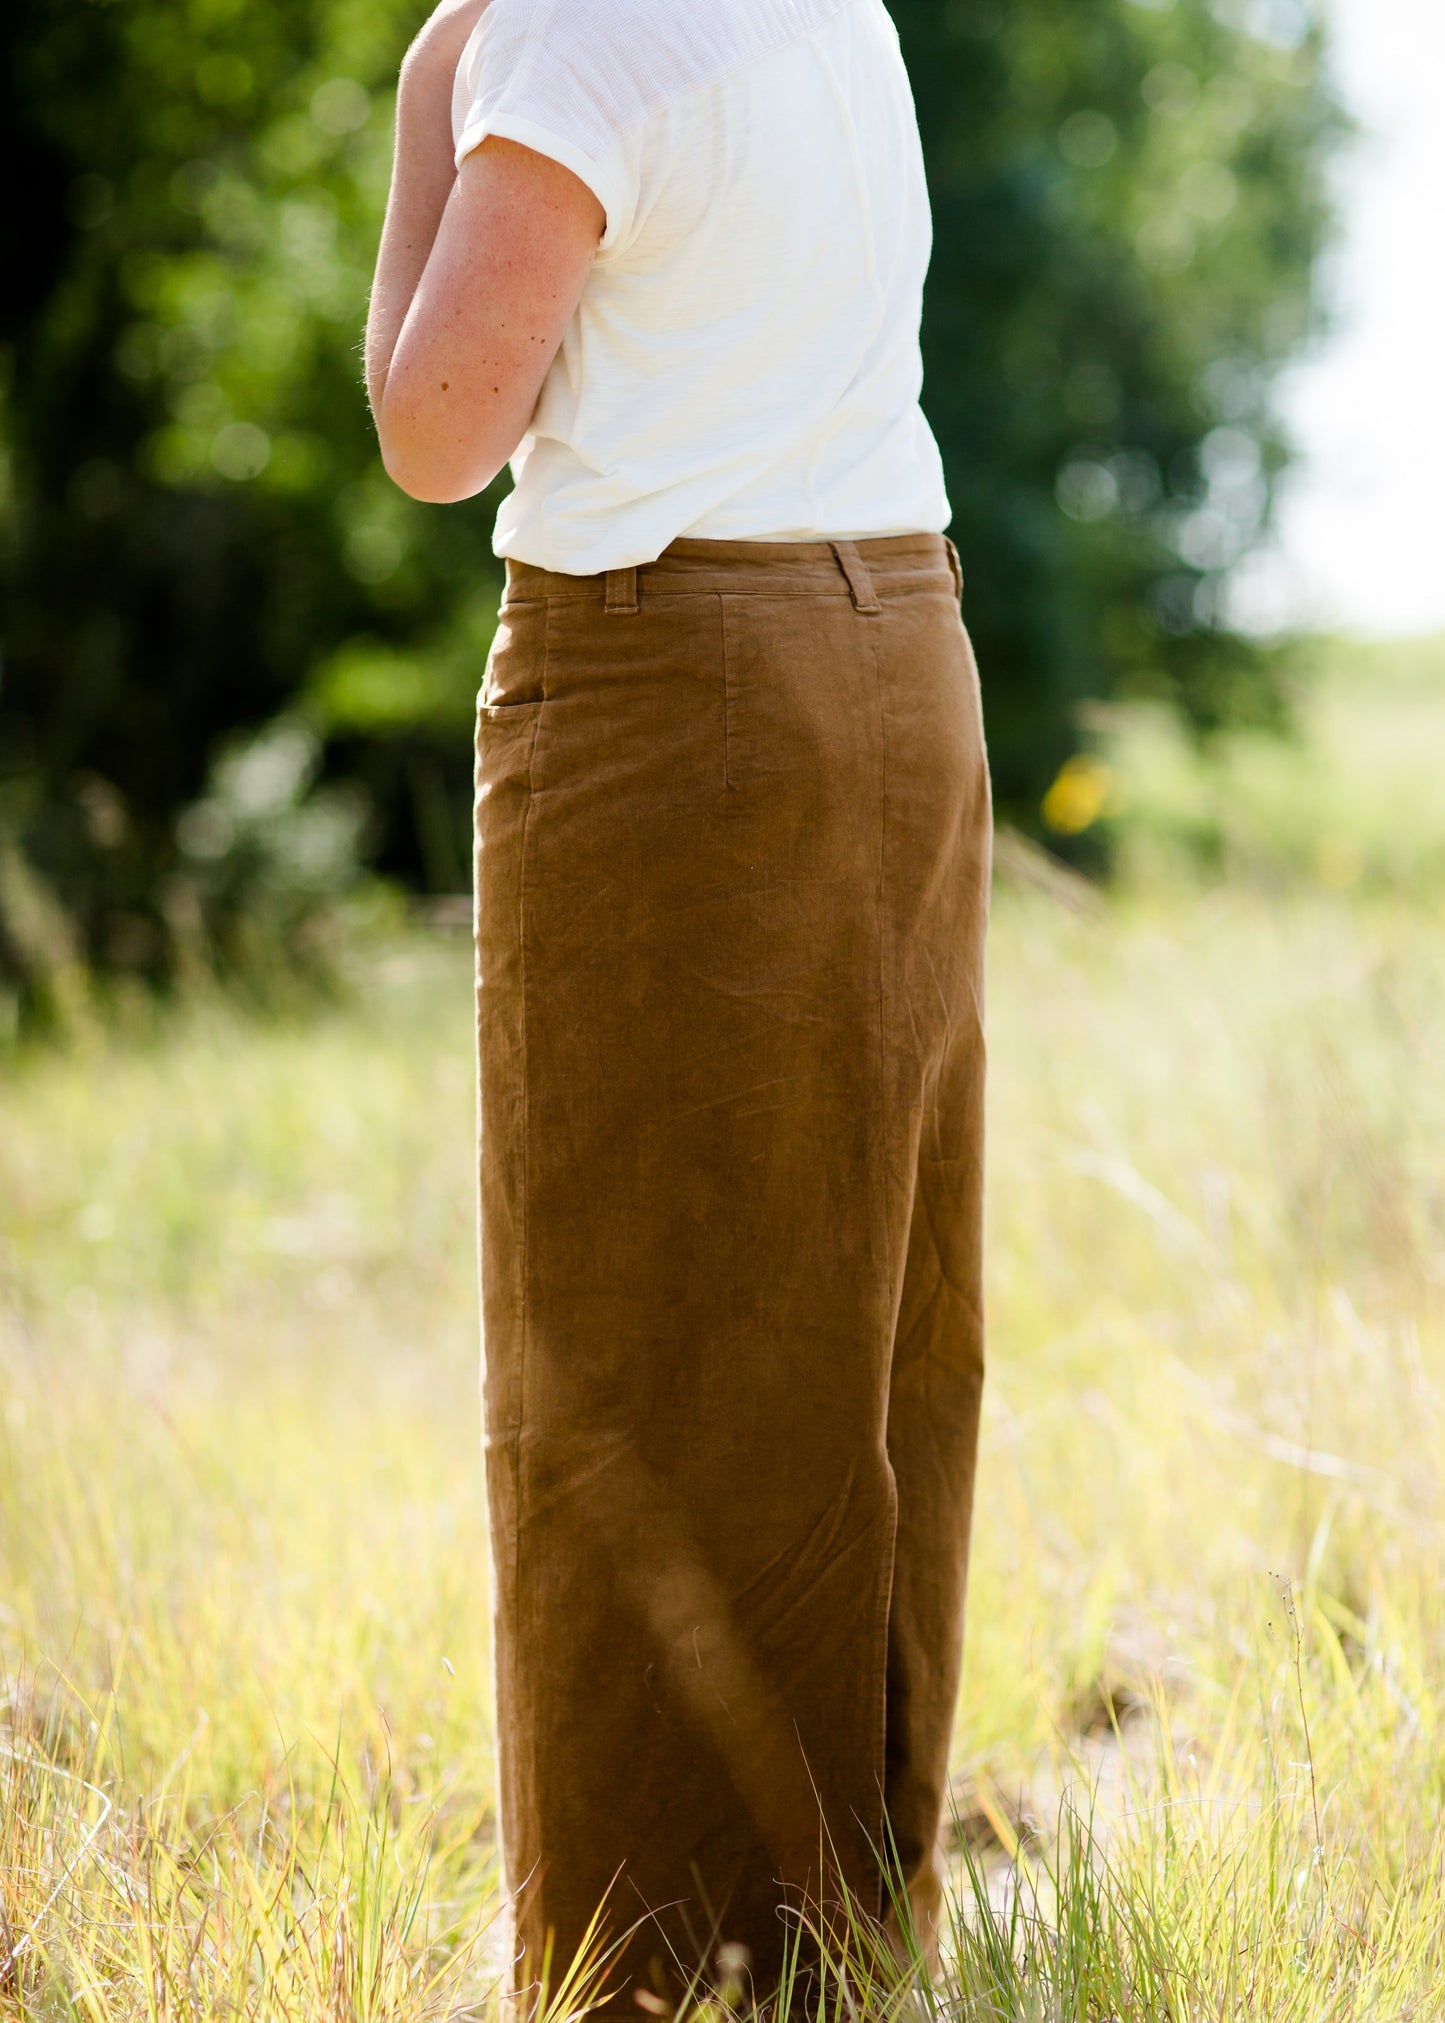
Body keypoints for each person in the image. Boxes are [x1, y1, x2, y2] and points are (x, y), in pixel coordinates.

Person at [365, 0, 993, 2009]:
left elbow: (433, 428)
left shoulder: (564, 32)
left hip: (679, 686)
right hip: (897, 647)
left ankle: (667, 1967)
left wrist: (421, 103)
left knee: (631, 1351)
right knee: (863, 1328)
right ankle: (840, 1920)